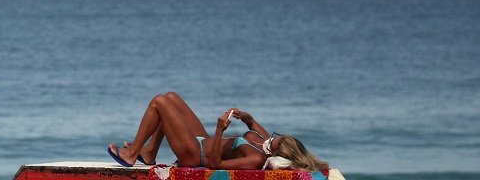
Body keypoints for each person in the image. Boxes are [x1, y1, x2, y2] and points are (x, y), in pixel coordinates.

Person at [107, 92, 327, 171]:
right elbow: (252, 124)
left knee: (159, 103)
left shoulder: (255, 158)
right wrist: (244, 115)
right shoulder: (263, 140)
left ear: (277, 152)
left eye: (277, 141)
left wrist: (220, 131)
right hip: (203, 141)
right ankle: (149, 153)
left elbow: (215, 164)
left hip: (196, 155)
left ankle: (133, 153)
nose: (273, 137)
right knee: (172, 97)